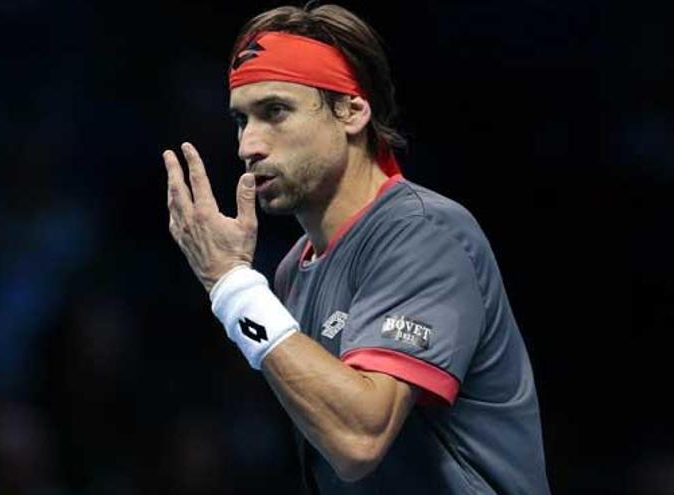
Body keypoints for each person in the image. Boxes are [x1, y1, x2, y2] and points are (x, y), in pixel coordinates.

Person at [163, 3, 550, 494]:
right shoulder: (292, 271)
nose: (249, 145)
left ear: (351, 111)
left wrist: (233, 286)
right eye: (242, 121)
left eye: (275, 111)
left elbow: (358, 439)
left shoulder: (426, 234)